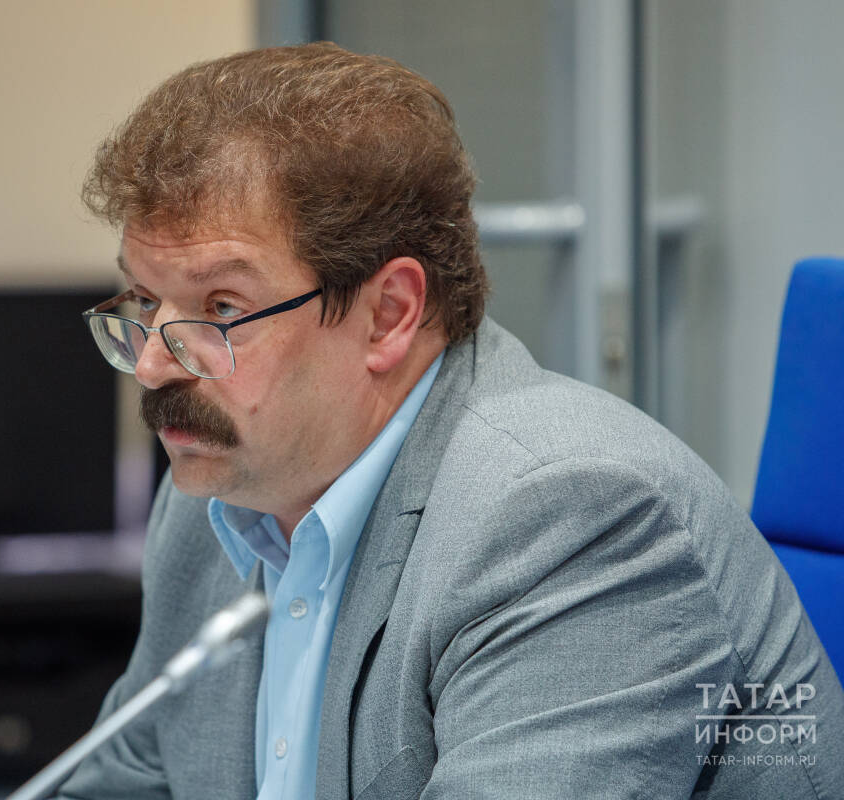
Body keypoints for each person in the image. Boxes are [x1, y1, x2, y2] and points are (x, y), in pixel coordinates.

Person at [59, 44, 844, 798]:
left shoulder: (570, 519)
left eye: (222, 308)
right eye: (147, 301)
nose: (154, 365)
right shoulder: (219, 494)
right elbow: (122, 782)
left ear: (390, 314)